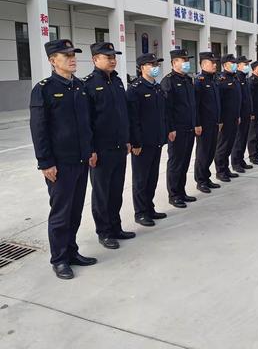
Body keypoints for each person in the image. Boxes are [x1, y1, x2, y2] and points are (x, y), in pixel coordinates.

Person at [30, 39, 97, 280]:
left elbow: (87, 123)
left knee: (76, 210)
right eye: (65, 55)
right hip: (59, 163)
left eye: (73, 54)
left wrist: (90, 150)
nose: (72, 58)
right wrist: (45, 162)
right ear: (51, 60)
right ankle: (58, 259)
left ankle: (72, 251)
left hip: (81, 160)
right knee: (61, 213)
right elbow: (39, 129)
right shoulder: (44, 88)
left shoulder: (78, 86)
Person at [84, 42, 135, 250]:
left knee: (116, 190)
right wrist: (91, 149)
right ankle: (104, 232)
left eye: (114, 56)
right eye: (108, 56)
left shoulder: (117, 81)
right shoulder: (88, 85)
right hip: (101, 150)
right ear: (95, 60)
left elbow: (124, 113)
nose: (113, 60)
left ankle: (116, 227)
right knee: (101, 193)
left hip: (119, 147)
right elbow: (86, 121)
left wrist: (128, 139)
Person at [127, 53, 169, 227]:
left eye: (156, 63)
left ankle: (149, 207)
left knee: (152, 177)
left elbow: (162, 114)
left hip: (156, 140)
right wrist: (136, 142)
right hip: (142, 143)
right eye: (151, 64)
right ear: (142, 67)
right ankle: (140, 212)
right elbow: (133, 118)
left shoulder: (157, 87)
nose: (155, 67)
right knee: (141, 179)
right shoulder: (135, 88)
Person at [160, 49, 197, 208]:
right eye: (183, 60)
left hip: (189, 128)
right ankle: (174, 194)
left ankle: (181, 191)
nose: (186, 63)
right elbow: (166, 109)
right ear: (174, 63)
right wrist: (170, 129)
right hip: (177, 130)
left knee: (185, 161)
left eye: (187, 60)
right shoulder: (168, 81)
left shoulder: (188, 80)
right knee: (175, 162)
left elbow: (192, 105)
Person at [194, 51, 222, 193]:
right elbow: (196, 105)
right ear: (204, 64)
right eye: (213, 63)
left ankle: (206, 177)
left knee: (211, 151)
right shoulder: (199, 81)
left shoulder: (213, 79)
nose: (215, 65)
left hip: (213, 123)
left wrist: (219, 120)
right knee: (203, 153)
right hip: (203, 125)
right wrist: (197, 123)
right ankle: (200, 180)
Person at [214, 54, 242, 182]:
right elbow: (219, 103)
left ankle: (226, 169)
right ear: (225, 65)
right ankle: (220, 171)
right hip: (224, 120)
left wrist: (237, 116)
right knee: (223, 146)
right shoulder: (221, 80)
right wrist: (219, 120)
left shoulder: (234, 78)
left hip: (234, 118)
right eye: (232, 63)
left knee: (230, 144)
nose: (235, 64)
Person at [231, 56, 254, 173]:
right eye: (245, 64)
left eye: (247, 64)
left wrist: (250, 112)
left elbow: (247, 98)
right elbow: (237, 99)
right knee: (239, 139)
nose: (247, 66)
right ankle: (235, 162)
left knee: (244, 138)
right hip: (240, 115)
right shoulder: (237, 78)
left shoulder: (244, 78)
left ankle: (241, 160)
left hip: (246, 113)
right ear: (238, 65)